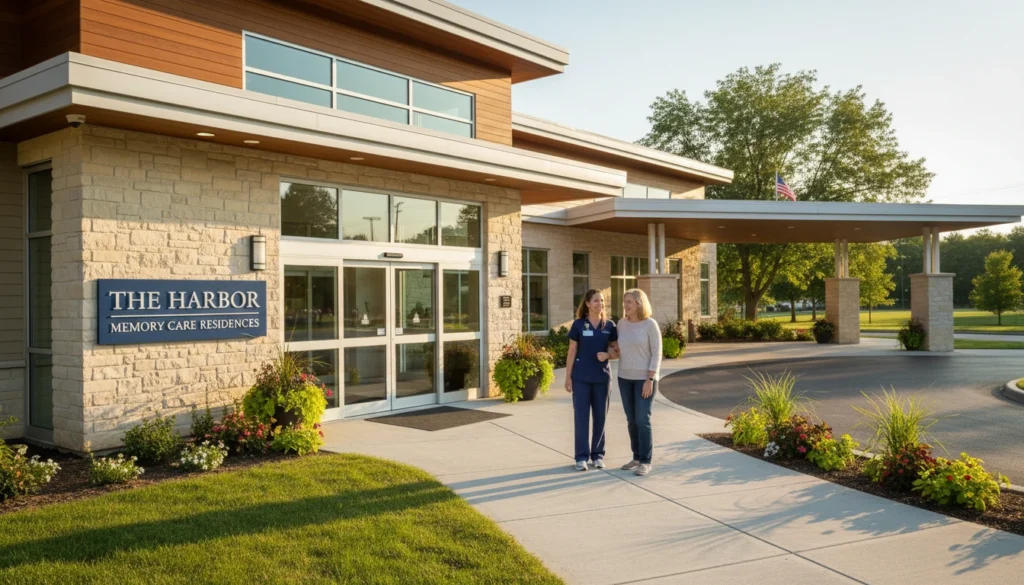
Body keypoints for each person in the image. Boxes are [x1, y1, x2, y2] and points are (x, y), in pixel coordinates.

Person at [564, 289, 618, 471]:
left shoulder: (609, 325)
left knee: (600, 418)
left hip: (602, 379)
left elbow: (617, 350)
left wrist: (608, 355)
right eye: (596, 300)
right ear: (587, 303)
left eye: (601, 301)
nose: (600, 304)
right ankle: (581, 457)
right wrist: (568, 377)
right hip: (581, 378)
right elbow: (572, 351)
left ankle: (598, 455)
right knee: (581, 418)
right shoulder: (579, 325)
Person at [615, 288, 662, 476]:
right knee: (631, 420)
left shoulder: (650, 325)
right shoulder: (621, 324)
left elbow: (657, 353)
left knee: (642, 419)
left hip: (645, 379)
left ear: (639, 304)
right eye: (625, 301)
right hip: (624, 378)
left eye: (629, 302)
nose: (625, 305)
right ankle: (636, 457)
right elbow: (618, 348)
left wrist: (650, 378)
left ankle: (645, 461)